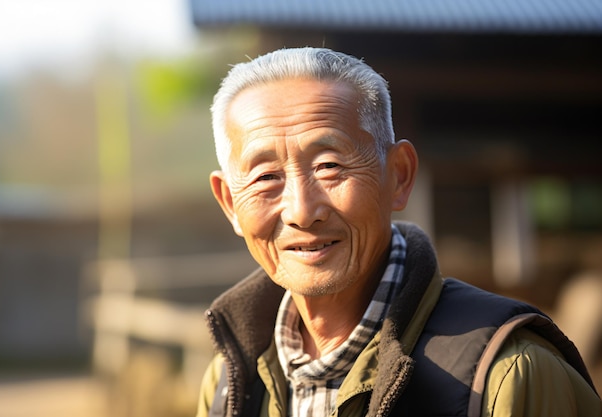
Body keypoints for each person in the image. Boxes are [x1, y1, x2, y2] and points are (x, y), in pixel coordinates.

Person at [196, 47, 600, 417]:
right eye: (266, 176)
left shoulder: (506, 375)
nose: (302, 211)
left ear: (399, 176)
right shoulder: (230, 383)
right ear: (230, 202)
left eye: (329, 166)